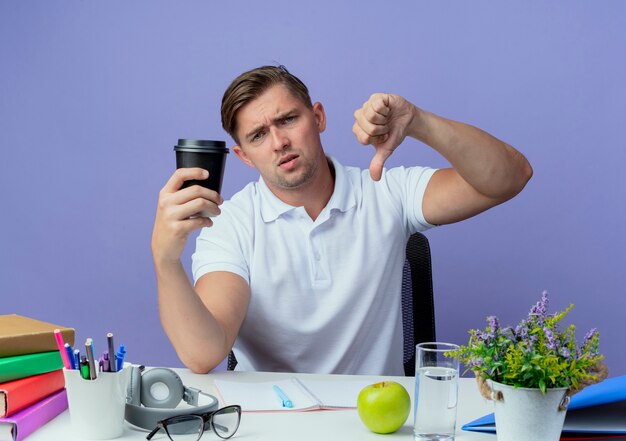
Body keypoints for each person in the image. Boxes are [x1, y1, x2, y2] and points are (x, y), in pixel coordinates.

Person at [152, 65, 532, 376]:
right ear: (243, 156)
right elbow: (204, 354)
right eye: (258, 135)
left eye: (287, 119)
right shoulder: (232, 223)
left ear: (317, 117)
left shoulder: (386, 190)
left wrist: (418, 122)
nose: (278, 141)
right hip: (270, 421)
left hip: (377, 421)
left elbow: (510, 177)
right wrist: (166, 260)